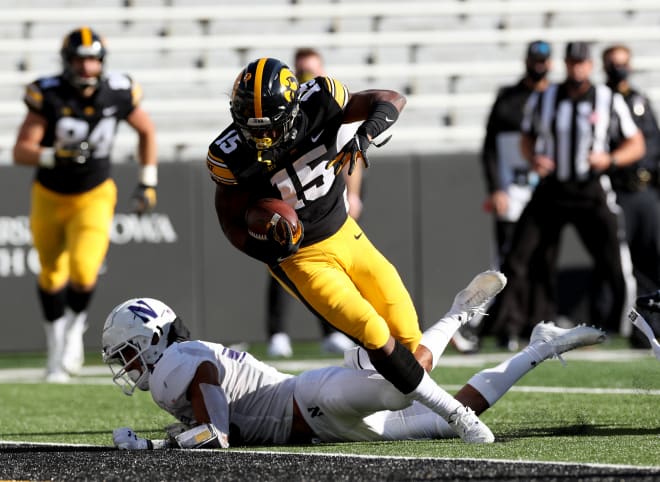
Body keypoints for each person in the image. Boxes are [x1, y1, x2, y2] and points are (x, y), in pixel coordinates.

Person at [207, 57, 508, 437]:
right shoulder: (229, 154)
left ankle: (455, 315)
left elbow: (391, 99)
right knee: (373, 329)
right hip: (300, 259)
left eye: (268, 127)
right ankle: (456, 415)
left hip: (346, 232)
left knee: (410, 346)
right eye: (252, 128)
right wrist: (268, 244)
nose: (261, 138)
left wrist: (365, 134)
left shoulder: (321, 99)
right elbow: (232, 226)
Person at [102, 292, 606, 449]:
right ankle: (540, 349)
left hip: (312, 399)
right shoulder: (184, 361)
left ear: (152, 341)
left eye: (127, 352)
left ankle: (456, 312)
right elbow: (219, 424)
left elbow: (216, 436)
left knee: (402, 389)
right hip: (327, 429)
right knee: (446, 410)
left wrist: (155, 446)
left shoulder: (176, 362)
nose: (126, 365)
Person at [12, 27, 158, 383]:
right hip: (49, 194)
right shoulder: (48, 93)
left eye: (93, 60)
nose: (87, 68)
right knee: (50, 274)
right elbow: (21, 151)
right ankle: (54, 347)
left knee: (83, 270)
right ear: (68, 61)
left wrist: (148, 180)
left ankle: (74, 331)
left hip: (94, 193)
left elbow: (147, 131)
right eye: (80, 60)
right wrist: (53, 154)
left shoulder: (119, 91)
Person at [490, 41, 645, 345]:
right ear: (566, 64)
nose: (578, 68)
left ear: (590, 66)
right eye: (573, 62)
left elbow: (636, 143)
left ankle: (628, 327)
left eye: (582, 63)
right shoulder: (545, 98)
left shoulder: (606, 98)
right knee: (519, 255)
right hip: (552, 190)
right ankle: (509, 326)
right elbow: (526, 137)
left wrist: (610, 159)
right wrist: (534, 158)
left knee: (614, 259)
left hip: (591, 189)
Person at [265, 47, 358, 357]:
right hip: (288, 198)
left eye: (312, 70)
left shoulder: (329, 103)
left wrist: (353, 194)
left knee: (333, 265)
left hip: (324, 198)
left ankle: (332, 329)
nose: (307, 77)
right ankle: (278, 332)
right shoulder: (283, 108)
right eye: (301, 70)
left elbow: (351, 152)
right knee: (282, 263)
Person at [477, 40, 556, 352]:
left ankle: (540, 323)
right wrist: (496, 187)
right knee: (511, 260)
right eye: (534, 59)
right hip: (513, 187)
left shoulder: (557, 97)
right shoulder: (509, 99)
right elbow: (490, 147)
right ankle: (507, 326)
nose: (539, 65)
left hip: (545, 190)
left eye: (544, 60)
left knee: (544, 258)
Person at [602, 44, 660, 348]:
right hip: (619, 191)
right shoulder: (601, 101)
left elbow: (655, 145)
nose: (618, 68)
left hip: (646, 190)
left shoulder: (640, 100)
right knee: (627, 265)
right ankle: (635, 328)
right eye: (612, 63)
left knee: (653, 258)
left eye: (622, 63)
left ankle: (655, 324)